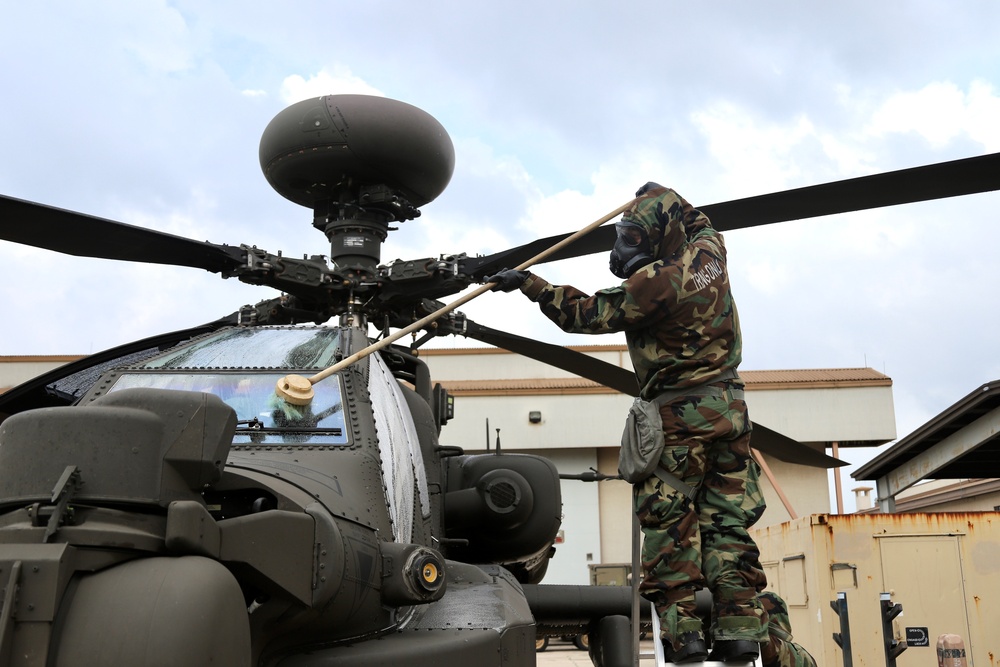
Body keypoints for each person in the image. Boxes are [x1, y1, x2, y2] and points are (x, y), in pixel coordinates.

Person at [487, 184, 768, 663]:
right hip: (730, 412)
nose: (622, 251)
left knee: (670, 528)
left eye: (633, 240)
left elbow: (585, 314)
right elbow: (701, 222)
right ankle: (741, 631)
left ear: (658, 240)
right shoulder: (709, 256)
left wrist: (531, 285)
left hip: (680, 419)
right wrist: (664, 196)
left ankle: (686, 640)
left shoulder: (655, 284)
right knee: (727, 527)